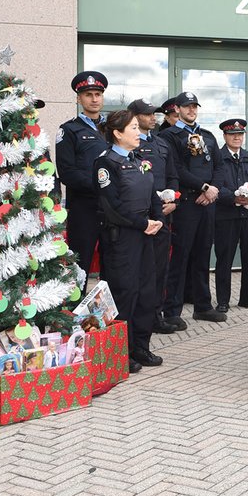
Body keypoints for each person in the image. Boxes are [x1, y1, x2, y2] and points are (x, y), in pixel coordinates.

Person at [93, 110, 164, 373]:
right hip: (122, 237)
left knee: (147, 291)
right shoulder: (105, 163)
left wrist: (157, 218)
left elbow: (151, 192)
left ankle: (140, 347)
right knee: (126, 293)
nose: (138, 132)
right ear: (117, 133)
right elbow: (112, 206)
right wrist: (142, 224)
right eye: (133, 128)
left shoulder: (138, 159)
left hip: (146, 233)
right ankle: (120, 351)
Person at [160, 91, 225, 329]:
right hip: (187, 203)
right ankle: (172, 310)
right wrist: (203, 187)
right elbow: (175, 168)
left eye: (195, 106)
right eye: (187, 107)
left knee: (203, 255)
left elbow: (219, 165)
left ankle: (203, 306)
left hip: (207, 203)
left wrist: (214, 189)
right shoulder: (170, 136)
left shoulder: (207, 136)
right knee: (180, 256)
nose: (192, 110)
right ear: (177, 109)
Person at [129, 99, 179, 334]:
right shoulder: (129, 144)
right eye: (147, 114)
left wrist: (173, 201)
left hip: (163, 215)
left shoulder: (162, 143)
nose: (153, 117)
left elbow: (172, 176)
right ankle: (138, 316)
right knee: (140, 270)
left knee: (160, 268)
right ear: (134, 116)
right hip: (140, 217)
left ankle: (156, 315)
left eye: (154, 114)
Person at [213, 118, 248, 313]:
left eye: (240, 134)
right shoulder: (217, 158)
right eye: (232, 134)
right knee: (224, 259)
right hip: (226, 215)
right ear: (225, 136)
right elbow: (214, 186)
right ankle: (223, 300)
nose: (237, 137)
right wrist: (233, 198)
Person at [57, 71, 110, 278]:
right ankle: (73, 309)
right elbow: (68, 173)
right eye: (89, 94)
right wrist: (102, 185)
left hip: (112, 208)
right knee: (80, 265)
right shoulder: (69, 130)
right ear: (79, 98)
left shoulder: (113, 129)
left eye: (98, 94)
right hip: (83, 208)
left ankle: (111, 310)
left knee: (113, 264)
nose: (94, 99)